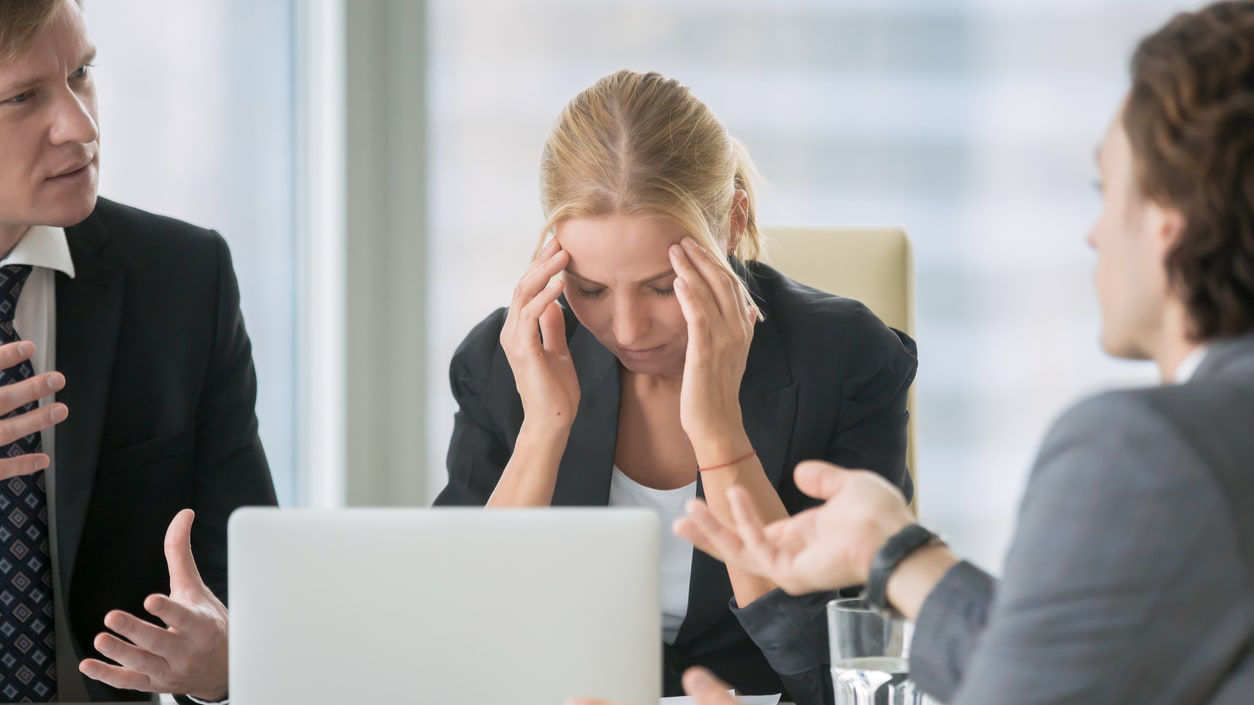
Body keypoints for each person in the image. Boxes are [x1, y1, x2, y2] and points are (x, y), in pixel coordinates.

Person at [662, 2, 1254, 704]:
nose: (1094, 234)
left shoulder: (1149, 449)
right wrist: (895, 551)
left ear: (1166, 222)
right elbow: (1069, 666)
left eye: (1107, 190)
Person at [435, 70, 918, 702]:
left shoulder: (849, 358)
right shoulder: (505, 360)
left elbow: (839, 673)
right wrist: (543, 430)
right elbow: (461, 644)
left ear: (732, 224)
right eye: (591, 289)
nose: (628, 329)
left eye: (663, 287)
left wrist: (719, 432)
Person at [0, 0, 277, 701]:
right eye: (23, 97)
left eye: (81, 74)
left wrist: (225, 667)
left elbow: (249, 594)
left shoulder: (183, 279)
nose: (81, 126)